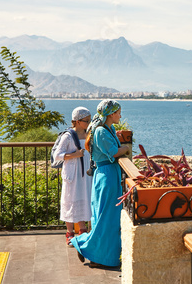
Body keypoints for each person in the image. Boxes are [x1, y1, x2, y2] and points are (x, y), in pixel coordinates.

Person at [72, 99, 130, 269]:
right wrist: (126, 149)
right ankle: (84, 246)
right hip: (107, 176)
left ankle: (101, 256)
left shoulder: (109, 128)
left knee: (108, 219)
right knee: (106, 219)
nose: (120, 115)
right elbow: (113, 152)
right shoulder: (101, 132)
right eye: (118, 112)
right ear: (111, 114)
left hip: (109, 175)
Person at [53, 106, 93, 246]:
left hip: (86, 174)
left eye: (89, 120)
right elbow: (57, 155)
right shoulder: (68, 136)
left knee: (84, 199)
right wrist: (75, 155)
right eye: (86, 121)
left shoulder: (89, 134)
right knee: (70, 201)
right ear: (76, 121)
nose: (88, 123)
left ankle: (82, 230)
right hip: (72, 174)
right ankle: (70, 233)